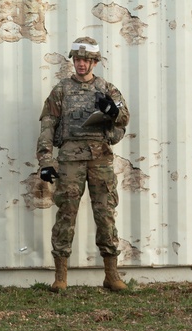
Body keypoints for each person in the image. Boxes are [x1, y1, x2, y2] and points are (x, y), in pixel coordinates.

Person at [36, 37, 130, 293]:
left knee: (106, 215)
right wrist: (45, 160)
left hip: (100, 159)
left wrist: (112, 110)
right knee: (66, 214)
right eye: (77, 59)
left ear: (94, 62)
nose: (81, 64)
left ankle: (111, 275)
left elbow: (124, 117)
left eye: (86, 60)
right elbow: (47, 124)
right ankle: (61, 277)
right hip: (69, 160)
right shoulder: (61, 90)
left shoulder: (107, 88)